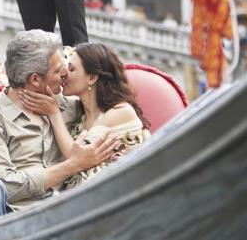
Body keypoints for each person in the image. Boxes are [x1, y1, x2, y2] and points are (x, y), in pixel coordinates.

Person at [0, 30, 118, 219]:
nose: (64, 73)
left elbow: (114, 106)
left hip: (74, 211)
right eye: (57, 70)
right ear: (35, 79)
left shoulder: (71, 106)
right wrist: (73, 165)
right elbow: (6, 186)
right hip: (15, 219)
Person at [19, 42, 150, 189]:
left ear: (92, 78)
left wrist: (53, 113)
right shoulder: (80, 113)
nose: (64, 73)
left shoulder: (120, 111)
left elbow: (77, 158)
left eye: (71, 68)